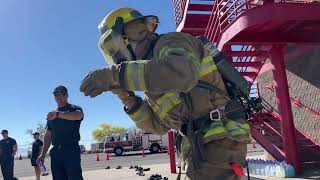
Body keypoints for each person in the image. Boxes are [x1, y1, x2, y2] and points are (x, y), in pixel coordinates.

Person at [80, 8, 251, 180]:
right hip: (197, 146)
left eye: (112, 46)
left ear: (133, 32)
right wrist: (128, 99)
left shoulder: (172, 42)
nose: (114, 55)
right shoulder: (151, 78)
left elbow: (182, 74)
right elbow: (158, 126)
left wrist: (114, 75)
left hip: (221, 139)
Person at [37, 86, 84, 180]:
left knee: (75, 177)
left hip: (71, 150)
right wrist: (43, 154)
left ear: (66, 95)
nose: (58, 96)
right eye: (55, 94)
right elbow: (48, 135)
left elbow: (79, 116)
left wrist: (58, 114)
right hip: (56, 152)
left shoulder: (74, 108)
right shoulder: (52, 115)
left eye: (61, 94)